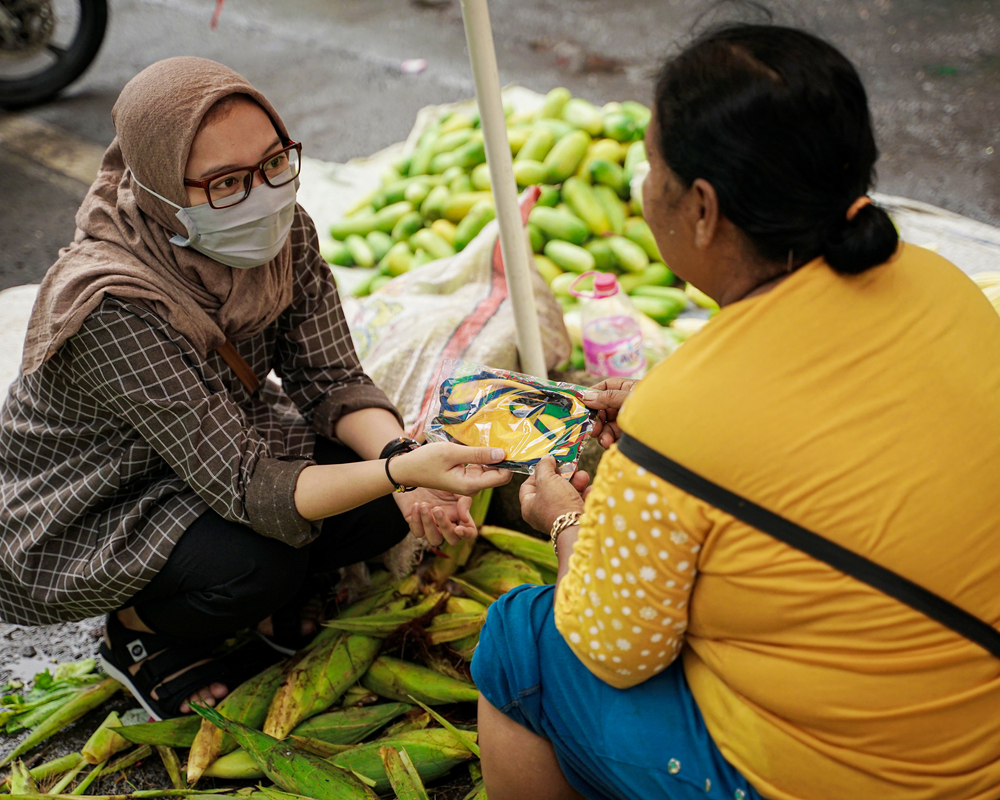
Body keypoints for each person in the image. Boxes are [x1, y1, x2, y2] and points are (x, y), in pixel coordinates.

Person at [472, 23, 1000, 800]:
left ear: (704, 208)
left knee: (520, 640)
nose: (645, 187)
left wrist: (562, 519)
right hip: (976, 732)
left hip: (851, 781)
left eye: (654, 169)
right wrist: (668, 423)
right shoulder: (939, 281)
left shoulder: (683, 420)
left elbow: (614, 651)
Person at [0, 57, 511, 721]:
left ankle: (271, 592)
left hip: (216, 445)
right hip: (99, 492)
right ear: (158, 186)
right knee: (254, 566)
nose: (263, 195)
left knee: (384, 497)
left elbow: (331, 379)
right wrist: (401, 469)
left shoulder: (283, 231)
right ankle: (138, 630)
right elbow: (249, 486)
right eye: (226, 183)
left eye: (274, 164)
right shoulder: (112, 304)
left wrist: (406, 466)